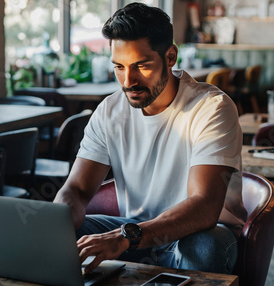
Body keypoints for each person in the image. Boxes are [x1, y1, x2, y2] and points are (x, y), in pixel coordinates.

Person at [53, 3, 246, 275]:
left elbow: (205, 206)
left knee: (204, 247)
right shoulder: (109, 111)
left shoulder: (212, 107)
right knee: (59, 235)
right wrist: (57, 223)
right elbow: (77, 190)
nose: (128, 81)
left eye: (141, 66)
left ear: (170, 57)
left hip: (202, 232)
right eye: (119, 67)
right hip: (133, 228)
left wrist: (125, 237)